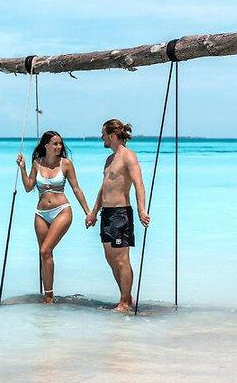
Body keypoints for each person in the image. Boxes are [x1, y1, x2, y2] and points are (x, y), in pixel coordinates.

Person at [17, 130, 90, 304]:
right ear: (46, 146)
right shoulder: (37, 163)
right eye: (55, 144)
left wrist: (88, 212)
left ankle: (49, 297)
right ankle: (48, 295)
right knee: (44, 254)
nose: (59, 147)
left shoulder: (66, 164)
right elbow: (28, 187)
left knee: (45, 249)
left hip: (62, 210)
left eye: (60, 144)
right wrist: (23, 169)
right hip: (41, 214)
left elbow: (76, 189)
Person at [85, 118, 149, 312]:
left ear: (112, 136)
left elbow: (139, 183)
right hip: (106, 213)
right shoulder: (109, 159)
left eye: (103, 134)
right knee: (110, 259)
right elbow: (104, 188)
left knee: (122, 259)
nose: (102, 138)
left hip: (121, 213)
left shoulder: (128, 156)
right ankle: (126, 298)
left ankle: (125, 302)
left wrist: (141, 210)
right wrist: (93, 212)